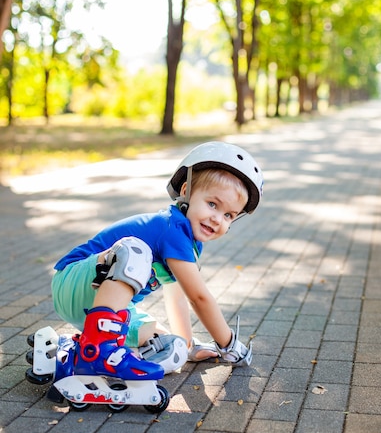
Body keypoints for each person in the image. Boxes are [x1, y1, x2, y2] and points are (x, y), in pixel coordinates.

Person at [51, 141, 263, 380]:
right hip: (73, 281)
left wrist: (189, 345)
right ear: (186, 192)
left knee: (170, 346)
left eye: (228, 215)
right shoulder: (172, 228)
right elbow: (199, 297)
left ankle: (83, 349)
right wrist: (229, 345)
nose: (217, 219)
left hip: (98, 309)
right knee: (135, 250)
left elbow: (178, 295)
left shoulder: (190, 242)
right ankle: (99, 352)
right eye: (212, 204)